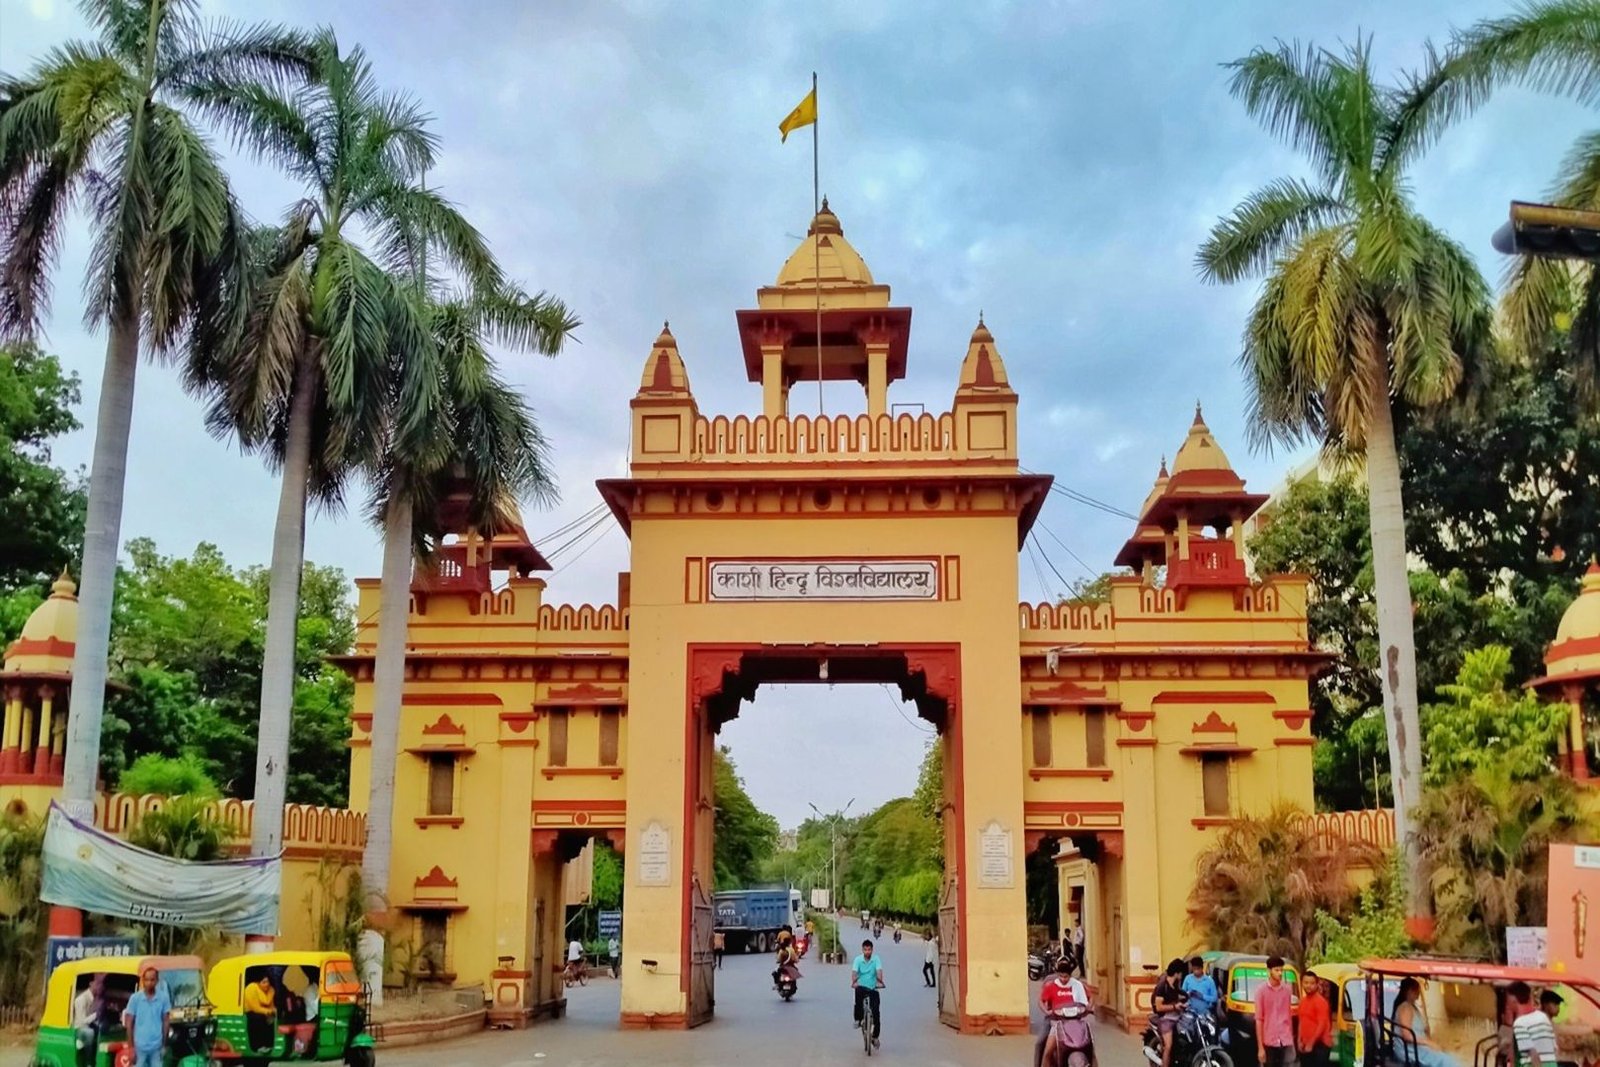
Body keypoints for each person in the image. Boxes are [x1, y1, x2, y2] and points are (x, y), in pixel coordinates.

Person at [1036, 957, 1092, 1067]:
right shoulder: (1051, 986)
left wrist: (1089, 1008)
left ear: (1070, 975)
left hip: (1076, 1022)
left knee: (1090, 1044)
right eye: (1061, 976)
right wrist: (1047, 1011)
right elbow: (1040, 1000)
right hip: (1057, 1022)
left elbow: (1090, 998)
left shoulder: (1077, 985)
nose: (1063, 979)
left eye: (1066, 976)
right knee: (1046, 1049)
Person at [1393, 977, 1461, 1067]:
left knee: (1450, 1055)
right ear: (1409, 991)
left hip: (1417, 1046)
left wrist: (1430, 1041)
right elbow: (1407, 1035)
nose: (1419, 992)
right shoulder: (1405, 1008)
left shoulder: (1412, 1007)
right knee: (1446, 1059)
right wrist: (1428, 1043)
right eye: (1417, 990)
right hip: (1410, 1050)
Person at [122, 966, 171, 1067]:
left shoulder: (163, 998)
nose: (149, 983)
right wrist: (131, 1048)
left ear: (157, 981)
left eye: (152, 980)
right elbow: (129, 1023)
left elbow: (166, 1022)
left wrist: (164, 1045)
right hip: (139, 1047)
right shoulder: (135, 999)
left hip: (156, 1048)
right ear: (143, 981)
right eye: (147, 980)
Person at [1254, 956, 1295, 1067]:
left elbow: (1288, 1015)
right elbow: (1259, 1019)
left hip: (1285, 1040)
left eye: (1281, 970)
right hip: (1269, 1041)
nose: (1280, 973)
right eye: (1277, 970)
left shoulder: (1287, 990)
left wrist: (1291, 1040)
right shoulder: (1261, 991)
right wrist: (1260, 1048)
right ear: (1269, 971)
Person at [1509, 982, 1559, 1067]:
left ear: (1513, 1001)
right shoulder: (1543, 1018)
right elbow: (1555, 1049)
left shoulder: (1521, 1022)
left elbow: (1533, 1054)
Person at [1151, 958, 1187, 1067]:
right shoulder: (1162, 986)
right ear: (1176, 973)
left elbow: (1178, 997)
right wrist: (1175, 1007)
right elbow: (1159, 1007)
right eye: (1181, 973)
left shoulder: (1175, 985)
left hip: (1177, 1017)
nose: (1182, 975)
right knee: (1168, 1046)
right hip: (1166, 1019)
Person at [851, 938, 885, 1049]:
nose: (867, 952)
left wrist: (879, 982)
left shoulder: (876, 959)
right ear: (862, 950)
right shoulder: (858, 960)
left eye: (869, 949)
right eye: (865, 950)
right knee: (858, 1000)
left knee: (876, 1013)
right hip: (861, 986)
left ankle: (875, 1037)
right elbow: (854, 973)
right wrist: (854, 982)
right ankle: (858, 1019)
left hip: (873, 988)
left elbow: (879, 972)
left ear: (872, 950)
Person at [1298, 970, 1334, 1067]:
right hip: (1306, 1044)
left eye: (1312, 983)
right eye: (1306, 983)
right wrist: (1299, 1040)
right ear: (1302, 983)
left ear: (1317, 985)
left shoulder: (1321, 1002)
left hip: (1320, 1044)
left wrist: (1311, 1043)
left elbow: (1322, 1025)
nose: (1308, 986)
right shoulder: (1302, 1002)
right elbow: (1301, 1022)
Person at [243, 973, 276, 1054]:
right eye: (264, 982)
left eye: (268, 982)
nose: (266, 984)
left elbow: (271, 1005)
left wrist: (273, 1011)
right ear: (258, 982)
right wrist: (268, 1012)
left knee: (273, 1020)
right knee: (259, 1019)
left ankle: (269, 1045)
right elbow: (255, 1007)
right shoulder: (252, 988)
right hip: (252, 1011)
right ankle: (258, 1046)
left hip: (265, 1012)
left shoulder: (271, 990)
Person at [72, 977, 101, 1067]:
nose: (99, 987)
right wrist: (96, 1014)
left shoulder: (94, 998)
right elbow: (82, 1021)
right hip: (81, 1029)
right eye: (97, 984)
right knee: (89, 1033)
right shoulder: (82, 999)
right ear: (91, 984)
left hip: (89, 1028)